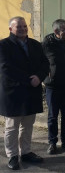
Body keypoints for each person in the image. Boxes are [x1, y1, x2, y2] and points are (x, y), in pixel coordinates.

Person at [0, 17, 49, 170]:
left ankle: (26, 152)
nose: (22, 29)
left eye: (24, 26)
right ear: (10, 29)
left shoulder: (35, 44)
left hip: (31, 92)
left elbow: (45, 63)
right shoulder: (3, 45)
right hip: (13, 92)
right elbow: (5, 68)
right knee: (12, 127)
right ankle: (13, 155)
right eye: (18, 26)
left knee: (28, 125)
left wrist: (40, 77)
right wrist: (29, 80)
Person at [42, 19, 65, 154]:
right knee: (52, 116)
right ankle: (52, 142)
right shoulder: (47, 44)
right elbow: (41, 62)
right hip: (53, 86)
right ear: (56, 31)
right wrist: (46, 76)